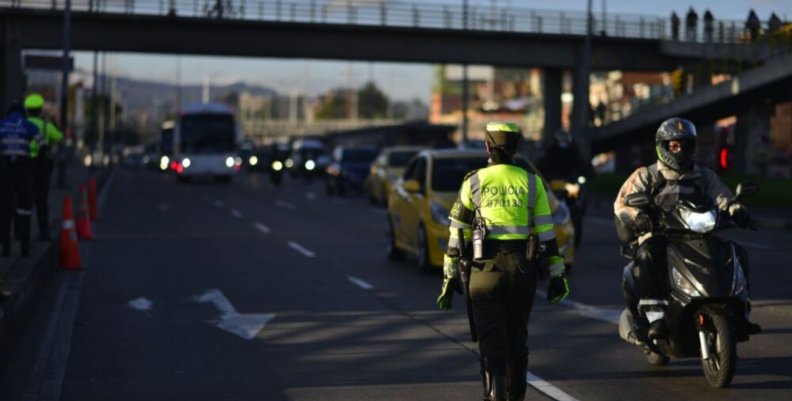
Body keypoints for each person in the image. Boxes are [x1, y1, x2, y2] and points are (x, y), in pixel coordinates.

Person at [437, 122, 569, 401]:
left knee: (490, 340)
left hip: (484, 270)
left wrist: (449, 277)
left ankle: (493, 394)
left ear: (487, 146)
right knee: (517, 338)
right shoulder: (532, 183)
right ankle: (516, 395)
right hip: (522, 269)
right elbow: (547, 235)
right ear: (516, 148)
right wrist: (558, 275)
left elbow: (456, 232)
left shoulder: (474, 181)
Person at [613, 117, 760, 340]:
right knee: (648, 253)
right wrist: (638, 216)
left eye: (685, 144)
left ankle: (741, 311)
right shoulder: (647, 175)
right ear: (662, 146)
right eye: (674, 145)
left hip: (699, 235)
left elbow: (724, 197)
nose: (679, 150)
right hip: (661, 235)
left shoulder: (704, 176)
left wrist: (737, 210)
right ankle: (655, 318)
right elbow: (621, 203)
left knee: (735, 251)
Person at [0, 103, 46, 257]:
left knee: (4, 210)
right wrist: (37, 164)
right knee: (24, 208)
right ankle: (24, 249)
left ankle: (5, 249)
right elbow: (43, 145)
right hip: (23, 170)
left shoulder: (2, 125)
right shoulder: (29, 125)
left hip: (4, 170)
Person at [25, 93, 64, 241]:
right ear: (40, 109)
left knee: (23, 202)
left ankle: (21, 234)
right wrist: (54, 121)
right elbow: (60, 137)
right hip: (41, 168)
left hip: (25, 166)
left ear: (27, 109)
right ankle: (43, 232)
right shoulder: (46, 126)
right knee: (42, 203)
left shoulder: (22, 124)